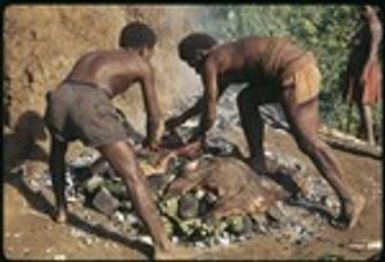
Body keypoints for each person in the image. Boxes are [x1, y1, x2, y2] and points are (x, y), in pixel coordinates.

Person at [165, 33, 365, 229]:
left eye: (192, 64)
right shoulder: (225, 58)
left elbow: (210, 113)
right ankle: (257, 160)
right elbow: (207, 101)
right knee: (247, 99)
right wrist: (180, 119)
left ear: (200, 54)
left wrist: (197, 136)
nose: (195, 71)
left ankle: (349, 197)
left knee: (309, 142)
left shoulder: (211, 62)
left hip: (295, 73)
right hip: (297, 69)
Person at [44, 22, 188, 259]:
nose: (150, 57)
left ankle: (61, 210)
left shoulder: (92, 55)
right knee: (134, 177)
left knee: (56, 153)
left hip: (60, 96)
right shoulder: (142, 64)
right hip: (88, 103)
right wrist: (152, 142)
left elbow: (79, 84)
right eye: (151, 53)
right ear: (144, 49)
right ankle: (163, 247)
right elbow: (154, 115)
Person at [343, 5, 382, 146]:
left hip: (367, 69)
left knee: (365, 103)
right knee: (359, 102)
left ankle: (371, 139)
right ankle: (364, 135)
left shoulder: (375, 27)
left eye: (365, 9)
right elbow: (355, 43)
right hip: (358, 67)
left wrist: (365, 72)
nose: (362, 12)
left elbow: (372, 53)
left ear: (375, 9)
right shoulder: (365, 25)